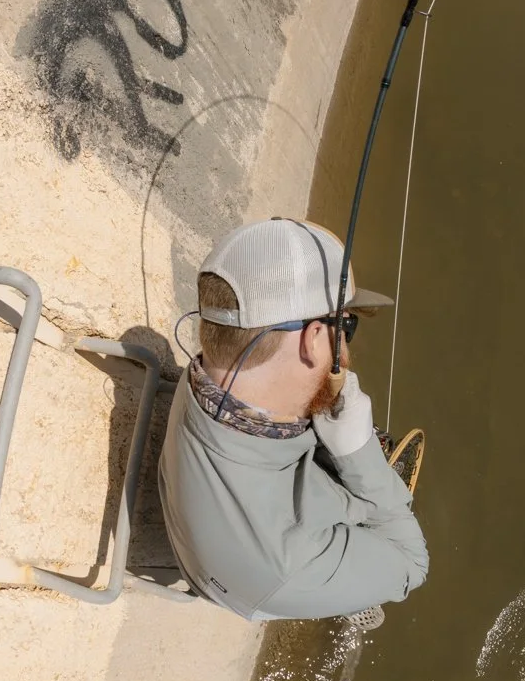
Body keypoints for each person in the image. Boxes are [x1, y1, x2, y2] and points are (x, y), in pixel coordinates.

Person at [158, 217, 428, 620]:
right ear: (314, 339)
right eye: (346, 327)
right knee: (383, 517)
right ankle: (349, 586)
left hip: (220, 523)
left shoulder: (206, 375)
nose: (346, 344)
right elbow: (413, 563)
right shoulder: (289, 565)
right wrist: (360, 456)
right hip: (269, 583)